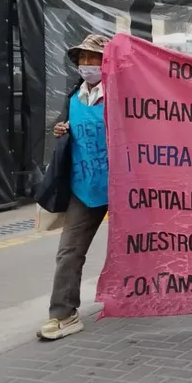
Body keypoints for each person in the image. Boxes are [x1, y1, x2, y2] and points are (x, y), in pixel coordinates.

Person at [39, 34, 111, 341]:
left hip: (122, 188)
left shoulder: (122, 96)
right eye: (82, 59)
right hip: (84, 187)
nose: (87, 65)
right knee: (68, 252)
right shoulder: (73, 96)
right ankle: (63, 314)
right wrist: (60, 128)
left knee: (141, 247)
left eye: (93, 59)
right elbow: (63, 126)